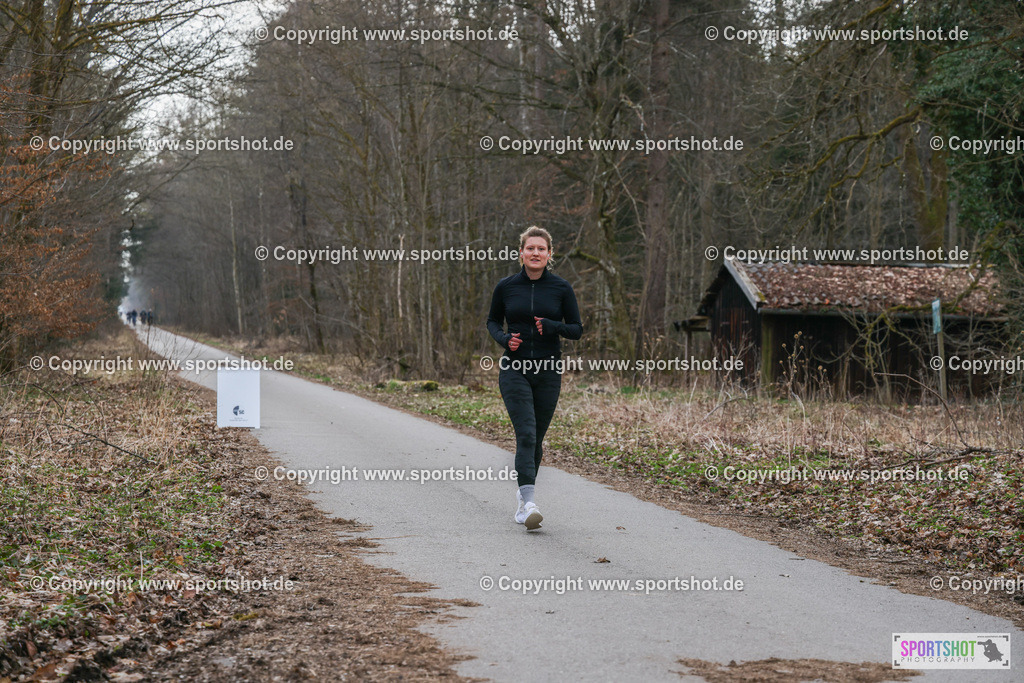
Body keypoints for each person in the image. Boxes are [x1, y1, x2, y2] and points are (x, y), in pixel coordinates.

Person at [487, 226, 582, 530]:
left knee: (537, 439)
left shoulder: (561, 288)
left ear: (549, 254)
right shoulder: (506, 286)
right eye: (531, 248)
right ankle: (529, 504)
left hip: (548, 372)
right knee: (526, 434)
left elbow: (577, 329)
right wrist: (504, 339)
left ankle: (521, 501)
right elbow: (492, 321)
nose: (536, 253)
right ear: (521, 253)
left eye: (542, 249)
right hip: (514, 370)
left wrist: (553, 326)